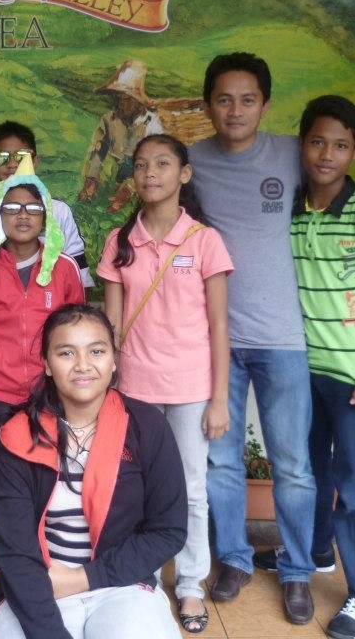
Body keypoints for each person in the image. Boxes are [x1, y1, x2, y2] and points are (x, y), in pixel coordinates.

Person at [189, 52, 355, 625]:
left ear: (265, 105)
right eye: (223, 99)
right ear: (207, 104)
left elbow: (337, 168)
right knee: (221, 462)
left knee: (293, 464)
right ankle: (233, 558)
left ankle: (296, 571)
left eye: (247, 99)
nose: (235, 110)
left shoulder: (293, 150)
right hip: (216, 340)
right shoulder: (191, 162)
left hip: (285, 340)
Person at [257, 96, 355, 639]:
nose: (327, 154)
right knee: (310, 471)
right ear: (301, 144)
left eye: (340, 145)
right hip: (301, 370)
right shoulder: (288, 209)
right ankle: (315, 550)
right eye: (318, 142)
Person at [0, 304, 187, 639]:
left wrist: (85, 578)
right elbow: (13, 551)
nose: (83, 364)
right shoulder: (17, 436)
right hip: (39, 585)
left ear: (113, 360)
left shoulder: (147, 427)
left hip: (121, 585)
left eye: (97, 351)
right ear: (47, 364)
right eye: (66, 353)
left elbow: (168, 531)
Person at [97, 133, 233, 634]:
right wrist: (107, 390)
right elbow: (111, 328)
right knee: (137, 488)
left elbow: (219, 324)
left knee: (192, 489)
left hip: (192, 388)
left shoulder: (204, 240)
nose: (149, 173)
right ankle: (146, 577)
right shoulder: (120, 241)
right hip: (134, 387)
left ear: (184, 174)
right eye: (140, 165)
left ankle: (191, 582)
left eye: (161, 163)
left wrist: (220, 399)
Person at [0, 155, 85, 607]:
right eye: (11, 208)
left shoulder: (64, 269)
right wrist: (2, 362)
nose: (23, 215)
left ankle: (46, 565)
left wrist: (53, 372)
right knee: (0, 486)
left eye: (33, 207)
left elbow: (76, 328)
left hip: (51, 397)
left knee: (51, 481)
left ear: (46, 216)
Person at [0, 120, 94, 289]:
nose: (12, 164)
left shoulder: (60, 212)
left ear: (35, 161)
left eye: (21, 156)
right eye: (1, 158)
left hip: (54, 304)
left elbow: (79, 274)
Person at [76, 59, 165, 212]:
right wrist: (91, 180)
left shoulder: (152, 126)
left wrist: (129, 189)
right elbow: (97, 152)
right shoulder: (109, 120)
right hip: (118, 171)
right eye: (117, 98)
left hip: (143, 179)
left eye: (126, 99)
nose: (120, 104)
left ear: (138, 101)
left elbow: (154, 166)